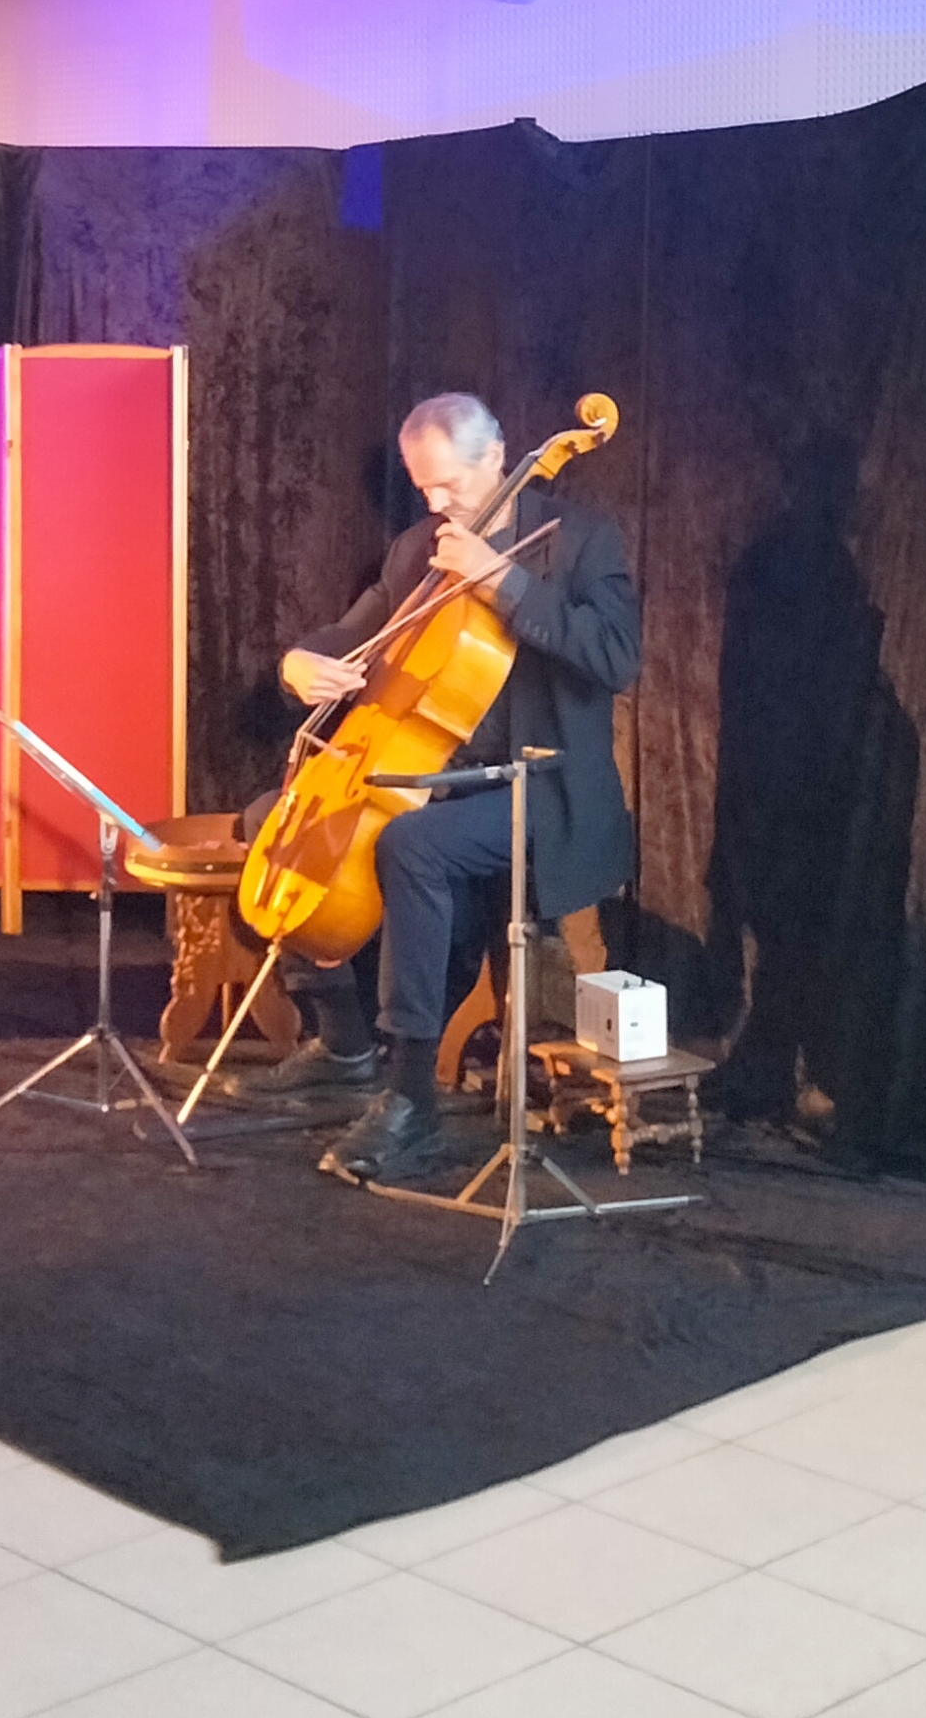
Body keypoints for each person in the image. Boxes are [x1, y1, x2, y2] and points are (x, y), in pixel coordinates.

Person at [235, 392, 640, 1187]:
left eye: (449, 484)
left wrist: (503, 580)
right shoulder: (419, 548)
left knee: (410, 843)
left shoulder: (578, 539)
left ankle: (410, 1098)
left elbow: (616, 657)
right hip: (440, 773)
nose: (436, 504)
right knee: (272, 818)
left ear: (497, 457)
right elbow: (353, 630)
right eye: (423, 487)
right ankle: (343, 1044)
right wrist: (299, 662)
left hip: (540, 783)